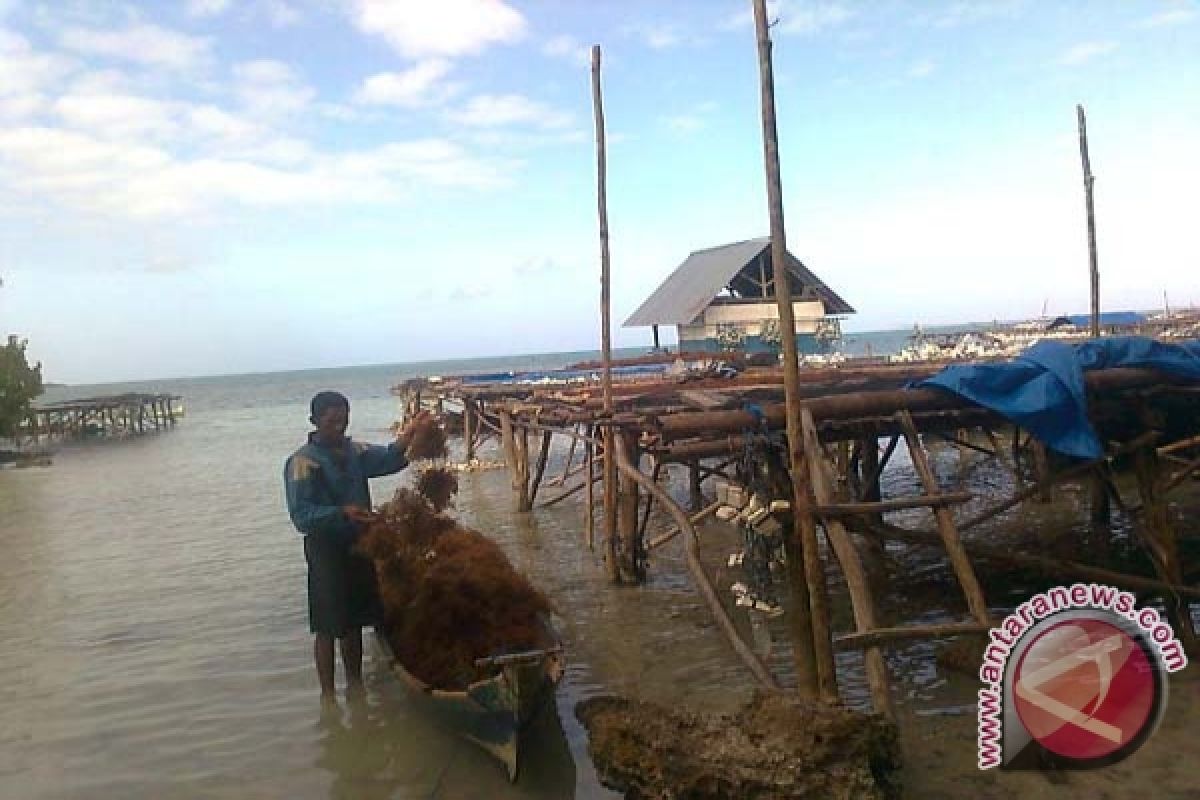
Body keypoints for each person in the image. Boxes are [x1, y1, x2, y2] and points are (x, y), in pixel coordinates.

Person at [284, 390, 427, 705]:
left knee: (355, 621)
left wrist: (414, 430)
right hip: (326, 549)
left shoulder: (355, 452)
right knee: (327, 624)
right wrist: (341, 512)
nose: (339, 424)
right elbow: (301, 515)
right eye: (332, 419)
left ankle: (356, 688)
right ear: (315, 421)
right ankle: (327, 697)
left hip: (360, 545)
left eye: (344, 418)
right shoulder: (302, 462)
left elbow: (390, 458)